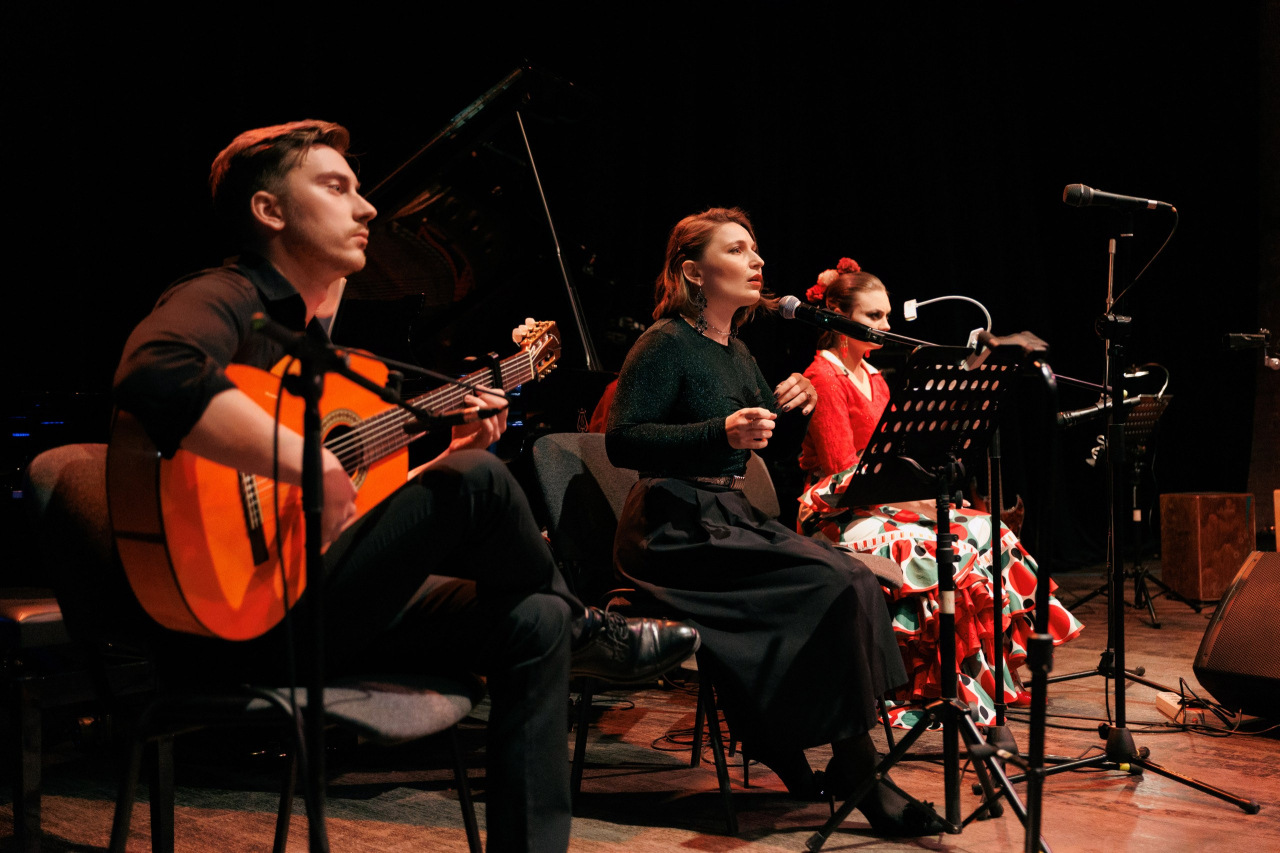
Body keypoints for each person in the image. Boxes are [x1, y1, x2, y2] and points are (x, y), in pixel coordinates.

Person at [111, 120, 698, 853]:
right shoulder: (226, 295)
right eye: (336, 187)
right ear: (268, 210)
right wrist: (303, 461)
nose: (367, 208)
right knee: (480, 483)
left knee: (532, 618)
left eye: (359, 190)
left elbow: (350, 511)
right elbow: (156, 370)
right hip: (239, 624)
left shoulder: (320, 346)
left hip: (319, 600)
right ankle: (590, 627)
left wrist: (449, 454)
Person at [606, 208, 942, 835]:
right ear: (694, 273)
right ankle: (859, 770)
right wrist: (719, 431)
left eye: (755, 248)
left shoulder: (736, 351)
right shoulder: (664, 342)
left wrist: (797, 404)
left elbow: (767, 443)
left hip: (723, 513)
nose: (756, 260)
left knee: (853, 577)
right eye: (736, 250)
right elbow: (622, 441)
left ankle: (808, 743)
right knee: (831, 582)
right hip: (671, 526)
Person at [796, 258, 1083, 728]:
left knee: (991, 532)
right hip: (837, 511)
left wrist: (927, 496)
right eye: (873, 316)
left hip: (883, 498)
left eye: (886, 315)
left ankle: (990, 681)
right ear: (838, 317)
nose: (885, 325)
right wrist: (918, 502)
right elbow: (843, 473)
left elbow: (894, 456)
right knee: (947, 545)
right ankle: (933, 687)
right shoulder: (823, 377)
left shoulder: (874, 376)